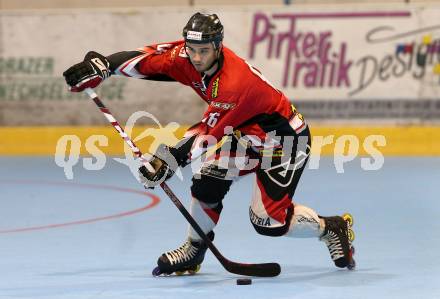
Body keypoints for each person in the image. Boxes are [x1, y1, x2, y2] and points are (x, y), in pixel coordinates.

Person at [63, 12, 355, 276]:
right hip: (242, 134)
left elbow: (207, 133)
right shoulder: (186, 55)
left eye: (204, 51)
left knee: (267, 221)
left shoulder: (234, 84)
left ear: (218, 46)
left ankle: (331, 228)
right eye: (192, 50)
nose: (197, 58)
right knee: (205, 183)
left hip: (283, 141)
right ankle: (193, 250)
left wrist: (166, 160)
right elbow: (150, 60)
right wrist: (104, 66)